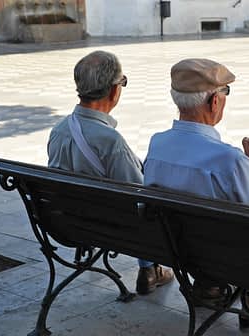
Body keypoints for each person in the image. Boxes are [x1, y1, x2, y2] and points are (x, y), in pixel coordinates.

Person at [143, 58, 249, 328]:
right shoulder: (230, 160)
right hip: (221, 259)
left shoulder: (156, 145)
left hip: (174, 250)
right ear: (214, 102)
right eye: (225, 94)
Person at [47, 50, 174, 295]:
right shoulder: (110, 141)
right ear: (115, 90)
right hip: (108, 229)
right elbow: (140, 196)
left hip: (67, 222)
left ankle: (149, 269)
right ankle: (150, 268)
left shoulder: (59, 130)